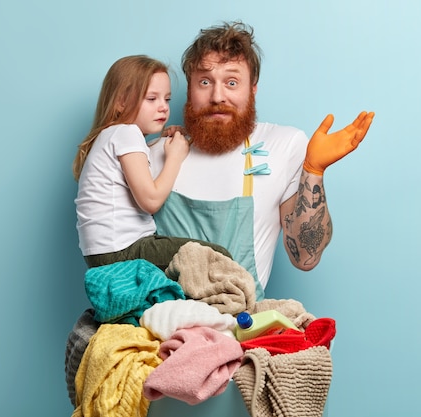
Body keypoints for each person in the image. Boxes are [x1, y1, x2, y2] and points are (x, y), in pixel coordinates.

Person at [148, 21, 375, 299]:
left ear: (252, 89)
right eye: (205, 82)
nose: (218, 96)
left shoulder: (284, 145)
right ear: (190, 89)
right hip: (162, 329)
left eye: (232, 82)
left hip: (243, 330)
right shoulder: (152, 154)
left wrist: (314, 171)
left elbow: (306, 258)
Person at [73, 55, 231, 271]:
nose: (163, 107)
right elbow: (150, 200)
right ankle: (240, 304)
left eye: (166, 99)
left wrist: (160, 141)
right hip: (122, 250)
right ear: (121, 102)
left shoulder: (111, 136)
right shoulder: (126, 133)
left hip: (101, 253)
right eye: (151, 99)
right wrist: (174, 157)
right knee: (217, 256)